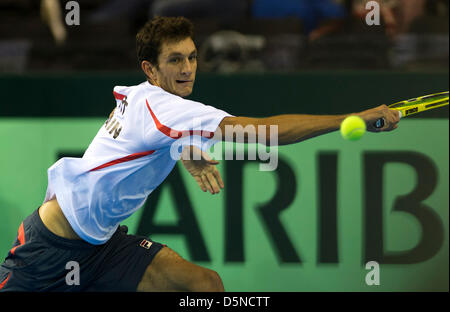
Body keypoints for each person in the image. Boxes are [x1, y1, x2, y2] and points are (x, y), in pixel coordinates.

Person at [0, 16, 400, 292]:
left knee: (203, 286)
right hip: (49, 249)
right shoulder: (167, 107)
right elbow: (266, 134)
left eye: (192, 57)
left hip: (101, 247)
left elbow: (142, 135)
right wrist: (353, 117)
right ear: (151, 68)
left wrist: (185, 148)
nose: (188, 68)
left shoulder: (143, 97)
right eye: (175, 60)